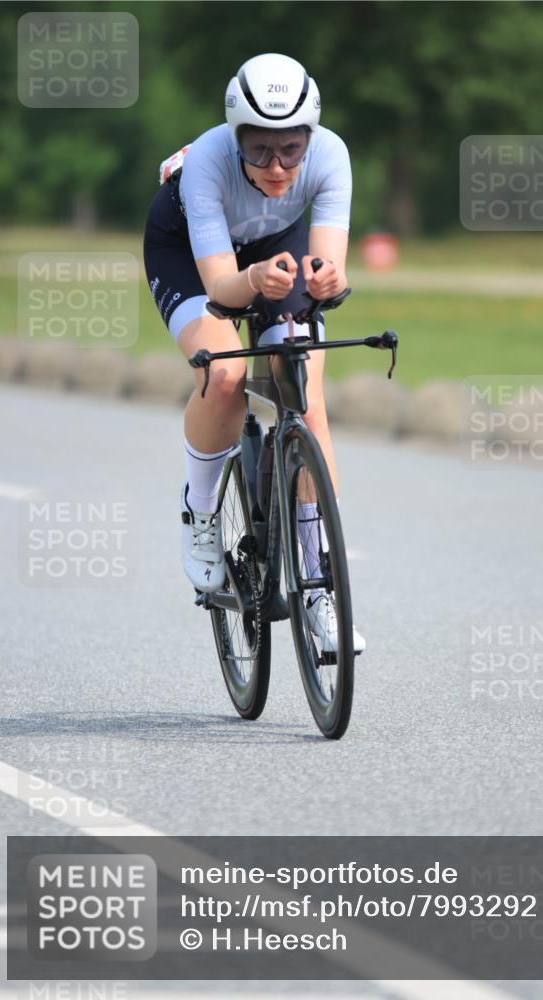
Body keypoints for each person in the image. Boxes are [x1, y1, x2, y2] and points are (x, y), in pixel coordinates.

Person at [143, 52, 365, 653]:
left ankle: (319, 584)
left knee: (305, 391)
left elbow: (331, 269)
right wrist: (257, 277)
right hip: (190, 257)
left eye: (291, 149)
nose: (275, 165)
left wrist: (327, 283)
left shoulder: (333, 155)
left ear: (310, 138)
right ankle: (202, 512)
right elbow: (220, 288)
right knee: (224, 375)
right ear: (234, 134)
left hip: (276, 248)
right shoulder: (207, 164)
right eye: (259, 148)